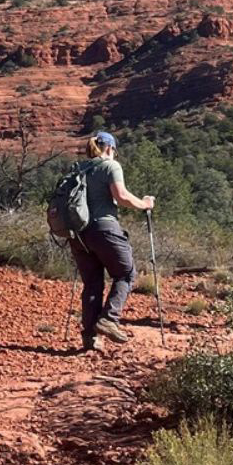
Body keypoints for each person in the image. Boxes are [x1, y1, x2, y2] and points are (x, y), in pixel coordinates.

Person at [69, 131, 154, 352]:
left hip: (78, 234)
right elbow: (121, 196)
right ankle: (109, 319)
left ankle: (89, 338)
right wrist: (145, 204)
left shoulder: (80, 169)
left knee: (93, 283)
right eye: (114, 150)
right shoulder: (110, 166)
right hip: (104, 228)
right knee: (125, 274)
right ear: (109, 148)